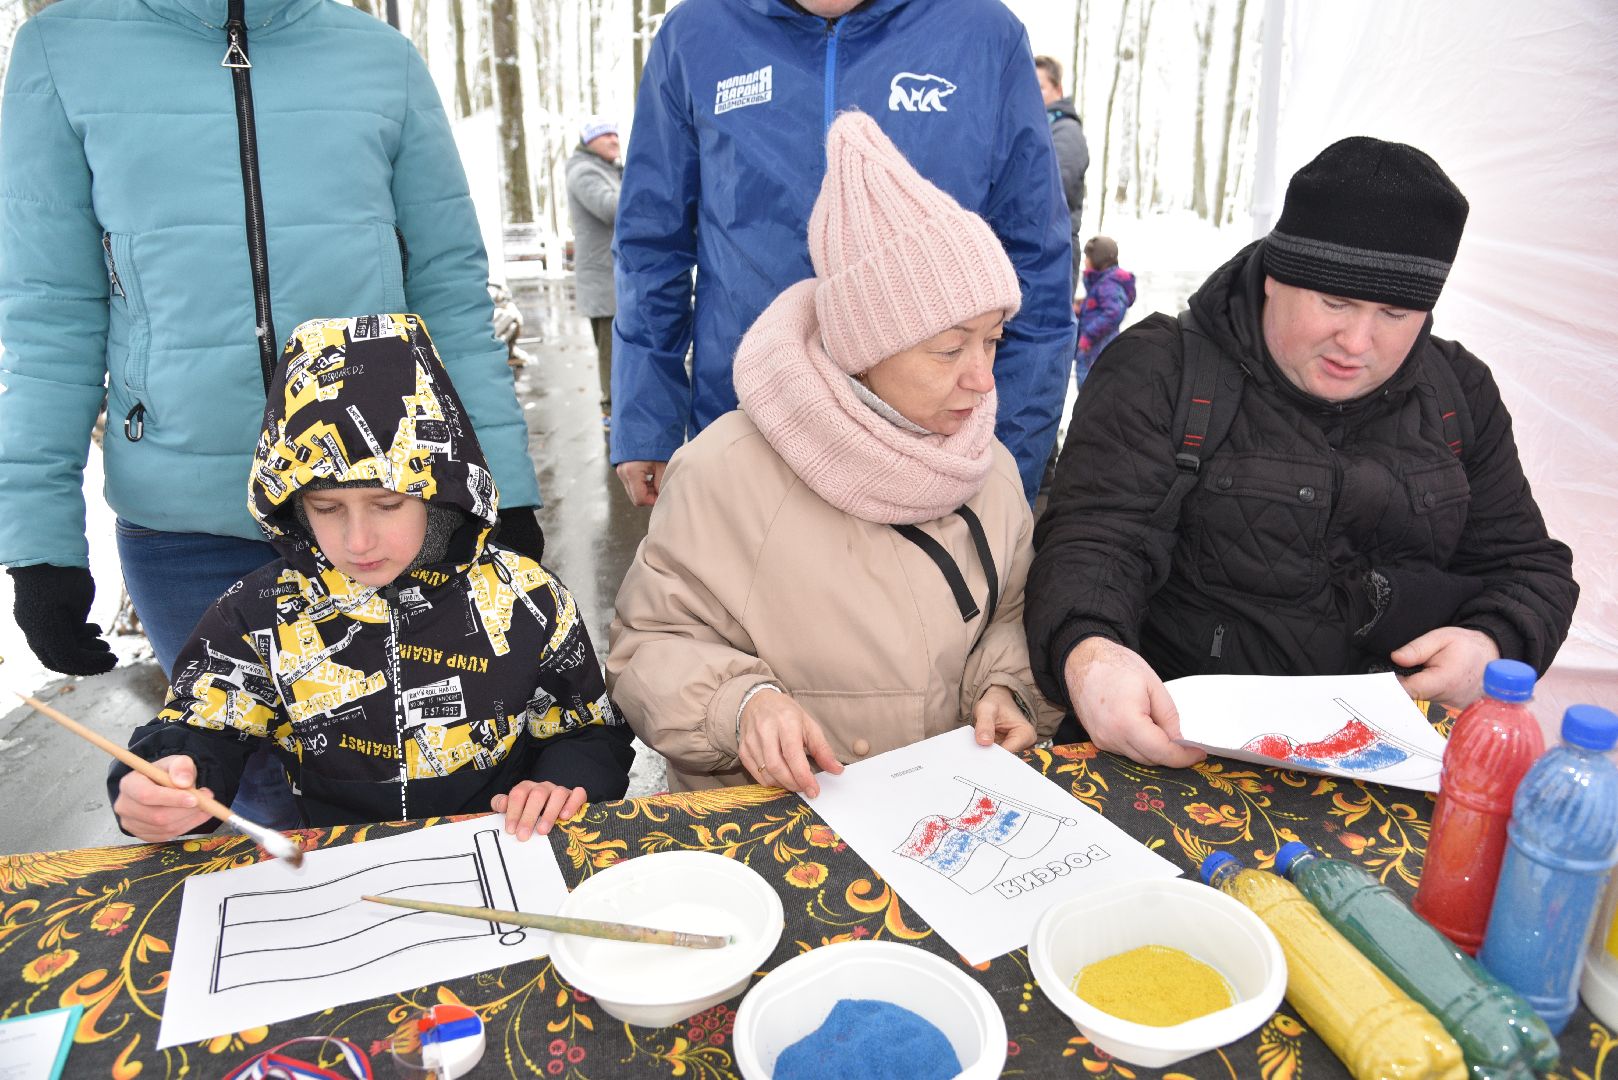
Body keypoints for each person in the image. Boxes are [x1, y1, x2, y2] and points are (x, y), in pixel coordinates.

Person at [0, 0, 544, 825]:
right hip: (188, 532)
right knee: (243, 798)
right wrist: (41, 547)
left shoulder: (379, 58)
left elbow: (450, 296)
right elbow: (50, 315)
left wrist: (505, 490)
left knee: (415, 782)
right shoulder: (63, 52)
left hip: (381, 505)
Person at [1025, 136, 1579, 767]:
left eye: (1395, 313)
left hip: (1386, 770)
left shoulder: (1459, 393)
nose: (1356, 341)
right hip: (1177, 754)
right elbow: (1095, 542)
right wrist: (1090, 653)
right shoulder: (1161, 369)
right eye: (1335, 301)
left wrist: (1492, 642)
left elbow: (1529, 566)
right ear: (1274, 276)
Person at [608, 113, 1061, 795]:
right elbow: (648, 644)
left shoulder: (987, 468)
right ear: (863, 350)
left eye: (993, 340)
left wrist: (1008, 688)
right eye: (949, 348)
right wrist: (740, 706)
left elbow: (1014, 615)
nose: (983, 378)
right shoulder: (725, 472)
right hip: (776, 822)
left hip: (943, 815)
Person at [109, 315, 633, 841]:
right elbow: (202, 727)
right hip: (342, 865)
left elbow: (587, 733)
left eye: (386, 504)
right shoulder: (261, 612)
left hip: (507, 848)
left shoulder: (527, 597)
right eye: (327, 507)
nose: (357, 541)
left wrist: (564, 781)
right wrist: (171, 774)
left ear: (439, 490)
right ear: (294, 505)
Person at [610, 0, 1074, 509]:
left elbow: (1036, 265)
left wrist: (1007, 466)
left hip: (931, 464)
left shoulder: (985, 32)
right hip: (744, 430)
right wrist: (647, 418)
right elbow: (651, 244)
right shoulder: (694, 32)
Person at [564, 116, 623, 430]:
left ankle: (618, 407)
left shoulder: (609, 170)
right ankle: (610, 410)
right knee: (611, 351)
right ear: (589, 141)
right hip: (603, 280)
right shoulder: (584, 171)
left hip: (614, 278)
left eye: (615, 134)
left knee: (620, 348)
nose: (614, 140)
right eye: (605, 135)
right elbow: (611, 208)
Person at [1034, 55, 1090, 288]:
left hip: (1055, 253)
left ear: (1058, 89)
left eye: (1040, 87)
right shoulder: (1037, 128)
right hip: (1039, 251)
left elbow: (1056, 186)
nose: (1033, 94)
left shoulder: (1066, 130)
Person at [1074, 235, 1136, 386]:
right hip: (1093, 348)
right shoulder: (1103, 281)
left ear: (1098, 260)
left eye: (1087, 257)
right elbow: (1099, 306)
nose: (1085, 261)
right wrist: (1082, 307)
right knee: (1087, 385)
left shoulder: (1109, 284)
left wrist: (1088, 335)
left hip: (1099, 347)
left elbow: (1113, 312)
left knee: (1093, 386)